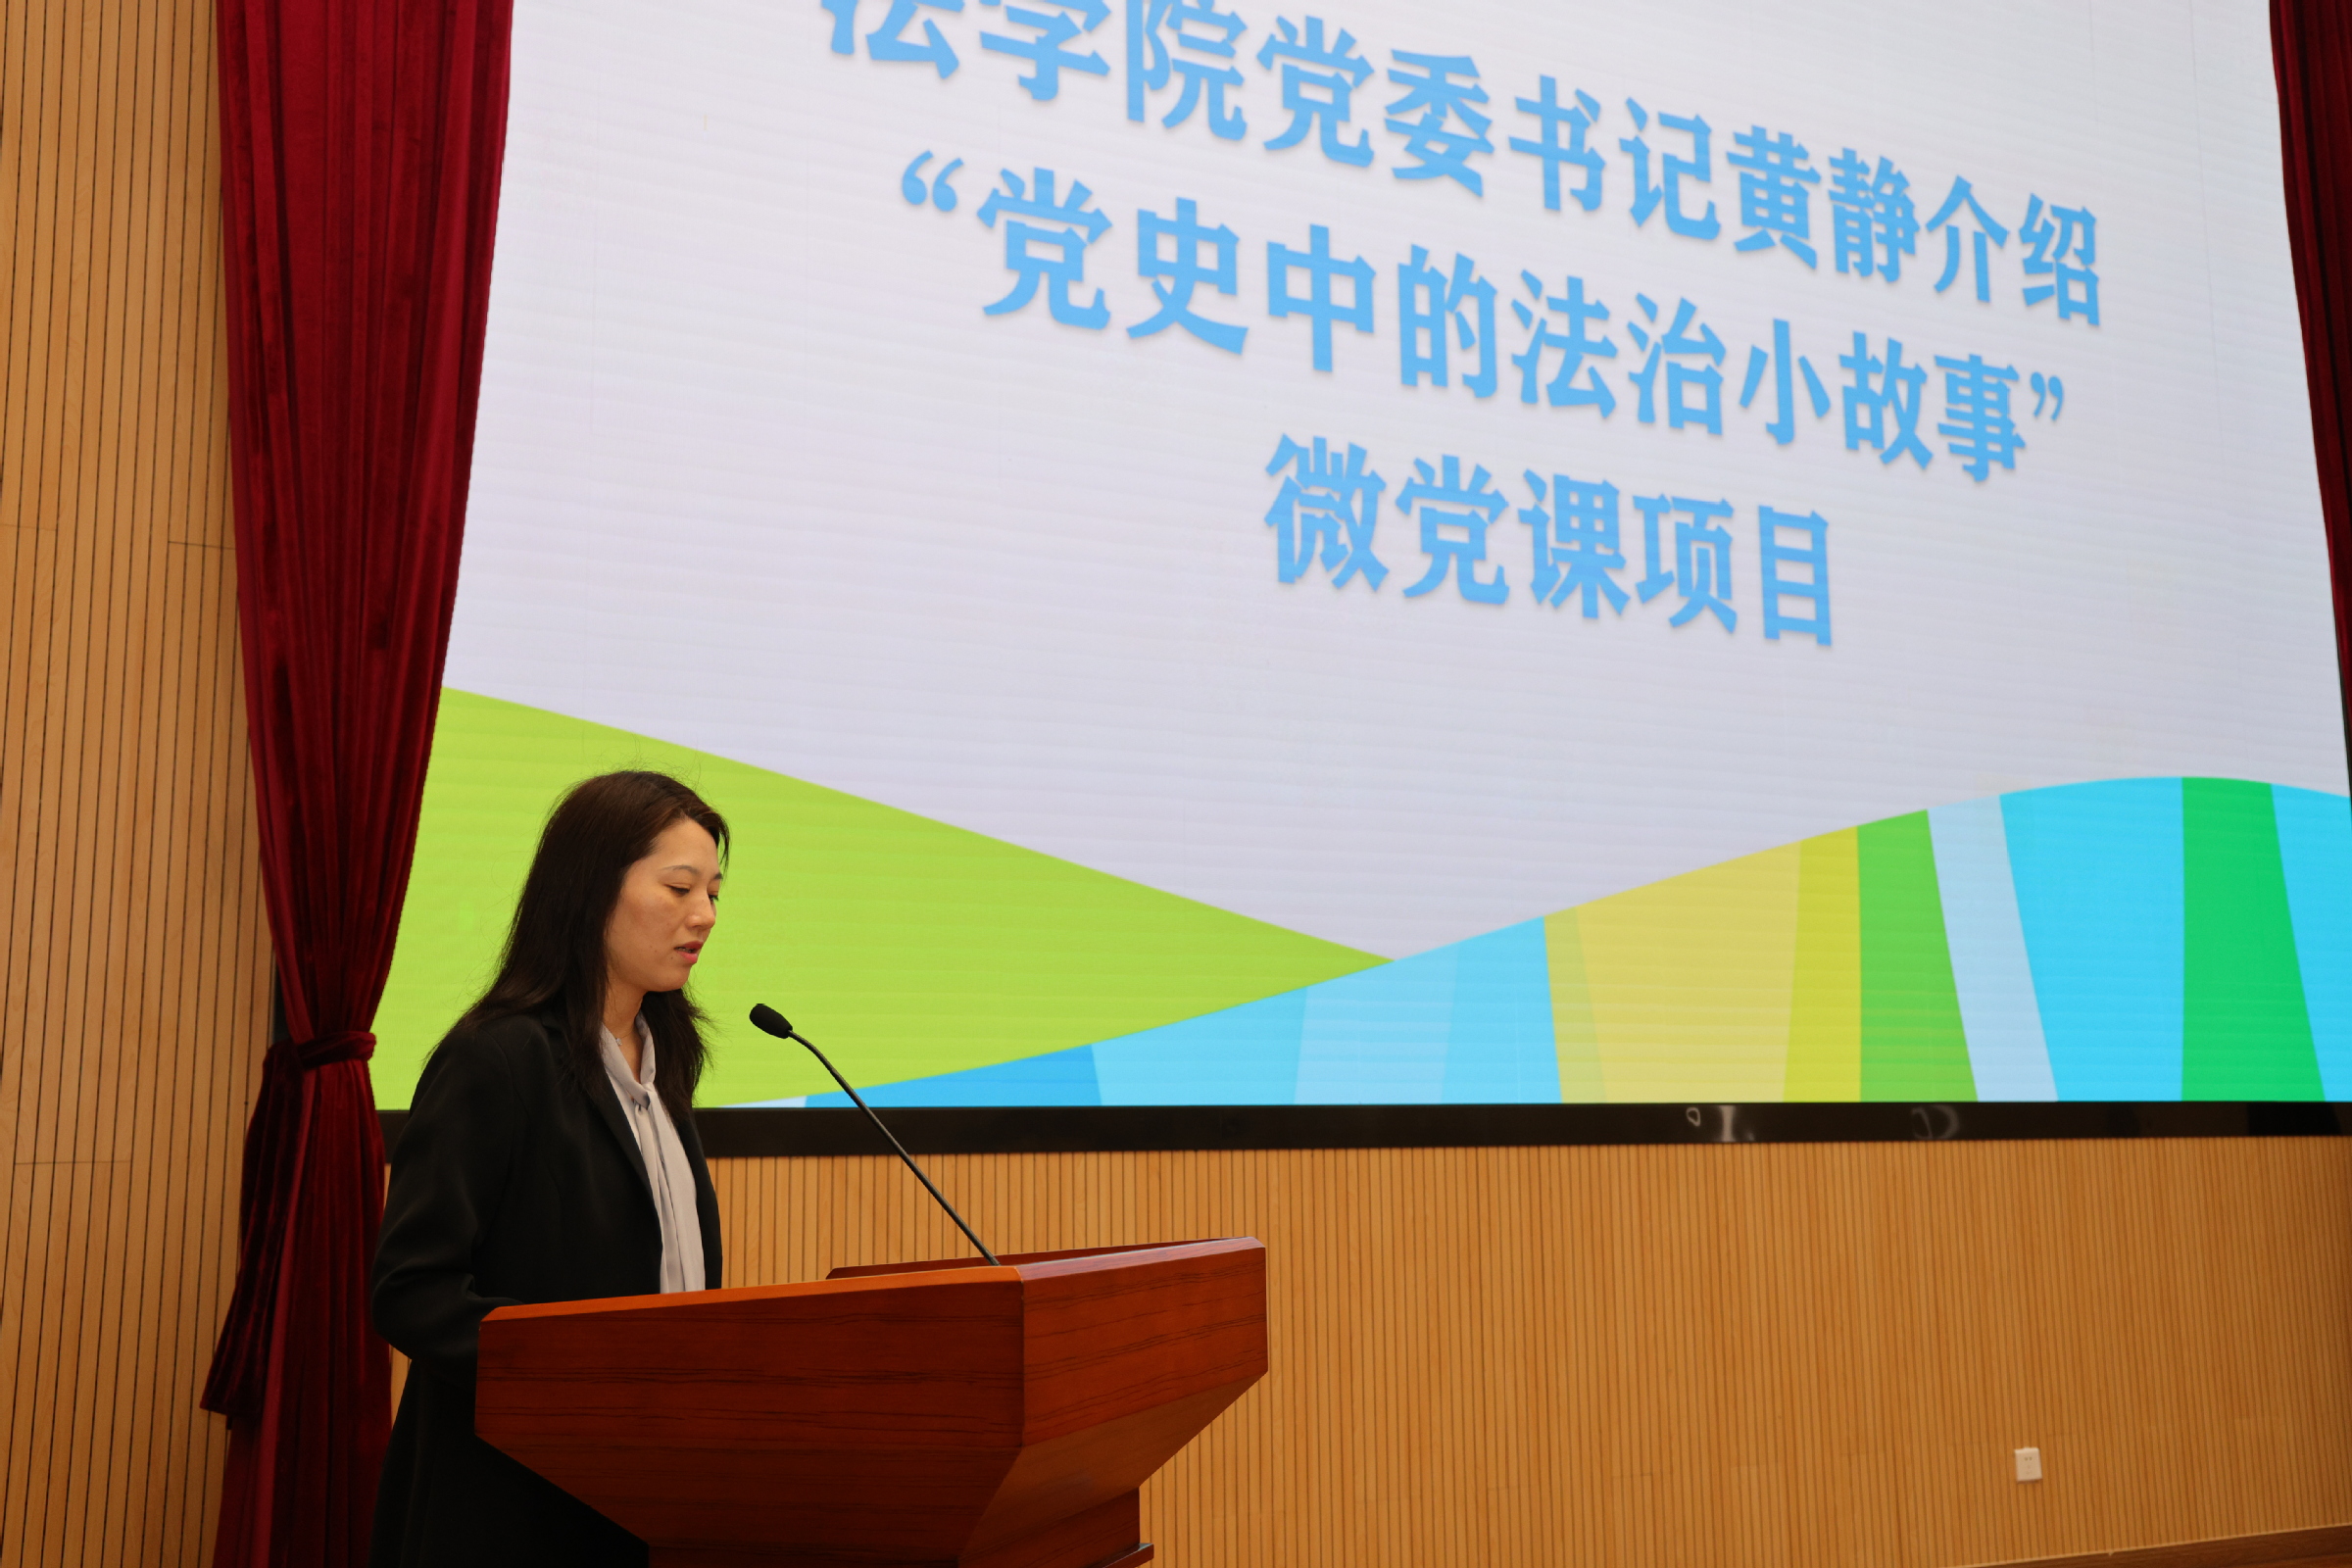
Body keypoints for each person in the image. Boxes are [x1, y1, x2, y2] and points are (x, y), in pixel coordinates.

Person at [370, 770, 729, 1567]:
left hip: (648, 1488)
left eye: (713, 893)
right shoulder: (496, 1059)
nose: (704, 914)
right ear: (591, 888)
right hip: (514, 1502)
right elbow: (412, 1291)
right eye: (679, 888)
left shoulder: (666, 1061)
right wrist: (589, 1369)